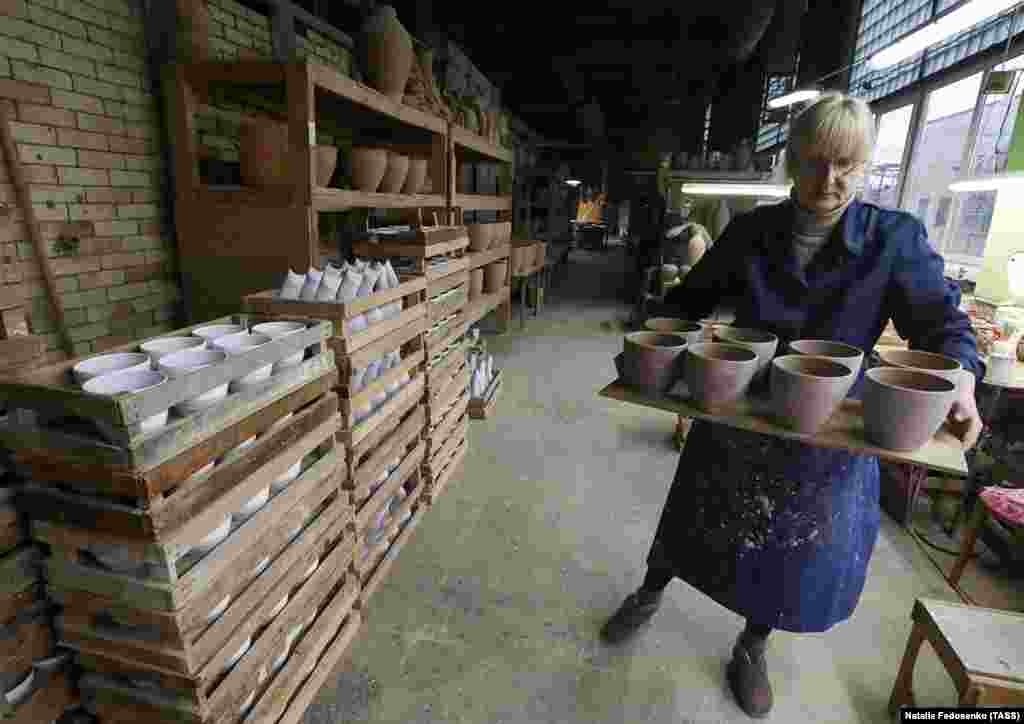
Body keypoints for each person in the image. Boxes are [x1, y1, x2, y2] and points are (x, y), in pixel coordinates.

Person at [600, 92, 984, 718]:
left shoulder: (893, 240)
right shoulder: (753, 232)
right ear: (791, 162)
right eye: (811, 162)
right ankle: (649, 591)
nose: (827, 180)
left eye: (844, 165)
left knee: (787, 547)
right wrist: (647, 346)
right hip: (743, 405)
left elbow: (942, 325)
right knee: (693, 514)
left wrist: (963, 377)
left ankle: (752, 645)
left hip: (823, 424)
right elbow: (690, 299)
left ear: (862, 167)